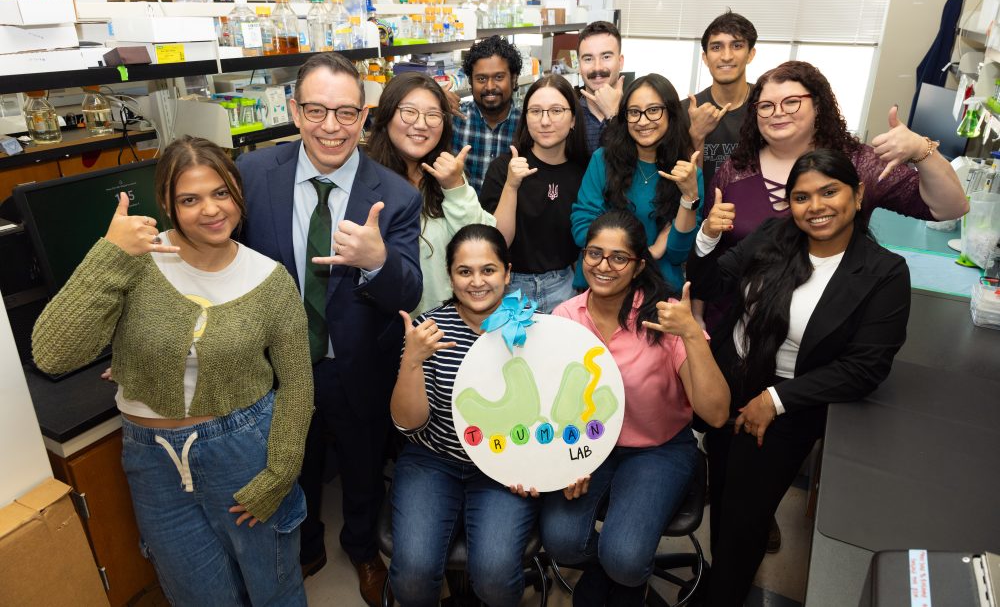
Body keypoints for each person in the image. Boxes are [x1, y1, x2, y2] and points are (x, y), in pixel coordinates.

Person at [32, 136, 313, 606]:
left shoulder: (269, 279)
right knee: (197, 596)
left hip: (243, 451)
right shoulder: (134, 262)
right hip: (152, 461)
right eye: (190, 199)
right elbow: (52, 354)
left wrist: (280, 472)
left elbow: (298, 384)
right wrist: (110, 254)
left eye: (221, 193)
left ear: (238, 194)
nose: (211, 210)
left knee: (274, 590)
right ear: (166, 203)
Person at [236, 52, 422, 606]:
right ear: (294, 111)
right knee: (295, 462)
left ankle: (362, 548)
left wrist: (376, 260)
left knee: (364, 467)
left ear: (364, 118)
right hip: (278, 362)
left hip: (358, 362)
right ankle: (307, 543)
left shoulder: (397, 195)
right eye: (316, 110)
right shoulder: (250, 174)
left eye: (345, 112)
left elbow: (407, 293)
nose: (331, 127)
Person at [688, 149, 912, 606]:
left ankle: (723, 595)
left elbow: (865, 367)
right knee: (725, 499)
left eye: (829, 192)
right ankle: (719, 583)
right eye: (801, 197)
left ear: (858, 193)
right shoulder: (775, 235)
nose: (816, 207)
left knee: (745, 520)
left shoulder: (883, 273)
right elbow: (712, 285)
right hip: (728, 384)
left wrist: (776, 400)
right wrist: (708, 237)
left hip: (786, 406)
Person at [541, 209, 729, 605]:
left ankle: (625, 573)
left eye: (618, 257)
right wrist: (565, 458)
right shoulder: (564, 316)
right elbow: (553, 401)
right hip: (589, 446)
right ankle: (608, 569)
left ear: (639, 265)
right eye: (594, 253)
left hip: (658, 449)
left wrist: (693, 335)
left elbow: (715, 414)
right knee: (560, 541)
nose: (603, 266)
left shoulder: (665, 317)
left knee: (625, 558)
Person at [696, 60, 968, 329]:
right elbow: (708, 250)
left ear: (817, 105)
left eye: (791, 102)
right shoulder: (736, 169)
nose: (777, 113)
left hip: (825, 328)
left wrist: (922, 150)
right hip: (737, 324)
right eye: (766, 106)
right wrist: (697, 317)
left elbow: (950, 208)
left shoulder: (859, 164)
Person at [389, 224, 539, 607]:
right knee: (413, 577)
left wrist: (543, 466)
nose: (477, 282)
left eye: (488, 270)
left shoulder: (536, 331)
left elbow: (549, 416)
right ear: (450, 275)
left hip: (504, 464)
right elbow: (408, 423)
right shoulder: (427, 331)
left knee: (493, 577)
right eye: (464, 271)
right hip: (432, 460)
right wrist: (412, 360)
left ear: (507, 272)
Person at [367, 72, 496, 315]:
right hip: (390, 331)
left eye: (433, 115)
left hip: (451, 326)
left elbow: (484, 245)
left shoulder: (447, 175)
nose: (421, 123)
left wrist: (455, 187)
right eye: (409, 111)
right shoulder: (365, 181)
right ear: (386, 115)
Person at [572, 73, 703, 294]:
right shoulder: (603, 160)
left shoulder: (689, 174)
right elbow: (583, 229)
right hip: (601, 286)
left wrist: (689, 197)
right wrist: (649, 252)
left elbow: (678, 252)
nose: (642, 121)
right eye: (634, 112)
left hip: (658, 293)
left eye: (653, 110)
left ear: (670, 114)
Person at [480, 74, 589, 313]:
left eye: (556, 110)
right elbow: (495, 242)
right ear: (526, 118)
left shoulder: (585, 171)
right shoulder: (504, 167)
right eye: (536, 111)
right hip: (509, 288)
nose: (545, 121)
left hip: (565, 286)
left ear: (573, 120)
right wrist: (511, 185)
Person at [684, 10, 758, 187]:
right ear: (705, 58)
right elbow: (679, 180)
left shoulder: (768, 106)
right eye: (716, 47)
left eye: (737, 46)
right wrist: (696, 135)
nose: (726, 56)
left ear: (750, 54)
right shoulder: (686, 111)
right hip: (701, 211)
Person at [450, 35, 524, 193]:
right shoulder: (454, 120)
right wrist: (434, 100)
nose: (490, 87)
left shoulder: (526, 125)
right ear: (470, 82)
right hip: (461, 216)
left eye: (499, 77)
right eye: (481, 79)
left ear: (514, 78)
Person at [576, 20, 626, 155]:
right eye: (588, 59)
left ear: (620, 62)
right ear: (578, 65)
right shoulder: (569, 116)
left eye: (606, 56)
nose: (597, 67)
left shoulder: (637, 114)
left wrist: (614, 115)